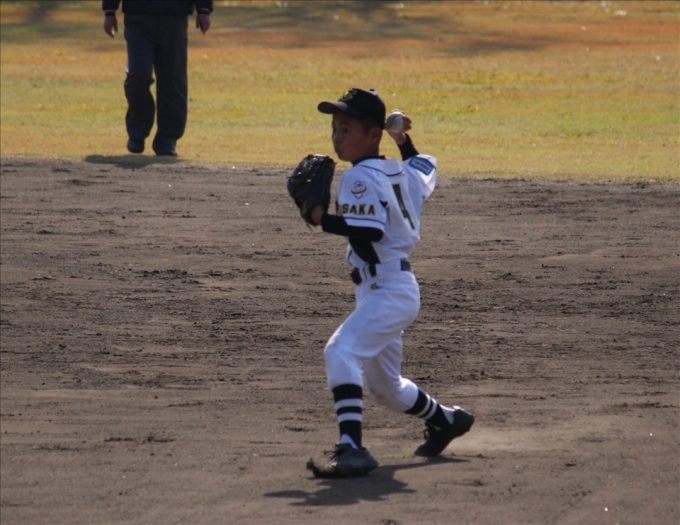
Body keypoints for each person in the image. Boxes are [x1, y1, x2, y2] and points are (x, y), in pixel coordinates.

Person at [307, 88, 474, 478]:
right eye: (335, 128)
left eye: (346, 129)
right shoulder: (400, 172)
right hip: (389, 290)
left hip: (387, 288)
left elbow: (369, 231)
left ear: (372, 135)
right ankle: (447, 420)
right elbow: (422, 167)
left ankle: (351, 448)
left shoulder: (359, 176)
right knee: (385, 389)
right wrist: (403, 140)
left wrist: (319, 219)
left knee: (340, 352)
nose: (336, 138)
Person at [102, 1, 213, 156]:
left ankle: (167, 138)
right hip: (138, 15)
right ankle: (138, 130)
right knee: (138, 75)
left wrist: (204, 9)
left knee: (172, 79)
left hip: (174, 15)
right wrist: (109, 11)